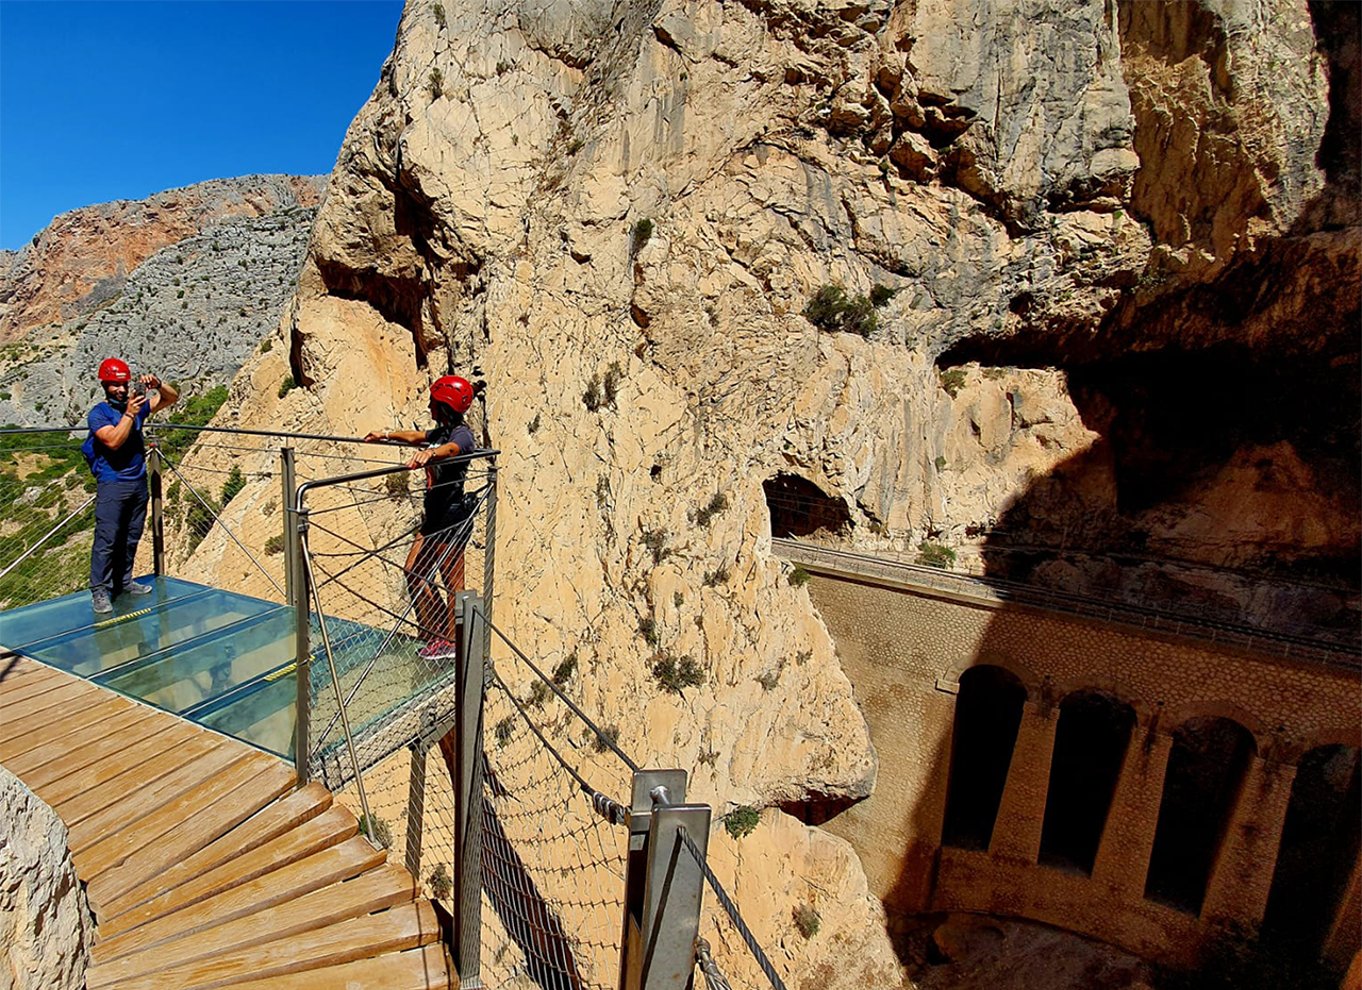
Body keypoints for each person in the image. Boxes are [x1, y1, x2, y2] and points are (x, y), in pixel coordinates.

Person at [365, 375, 479, 660]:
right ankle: (438, 630)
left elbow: (453, 450)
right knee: (413, 571)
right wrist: (386, 435)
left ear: (445, 406)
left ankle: (453, 642)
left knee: (452, 582)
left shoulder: (459, 435)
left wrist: (430, 455)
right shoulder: (441, 431)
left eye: (433, 402)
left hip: (452, 517)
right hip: (435, 515)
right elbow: (416, 437)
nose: (429, 405)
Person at [83, 358, 179, 614]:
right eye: (114, 385)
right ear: (105, 385)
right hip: (112, 483)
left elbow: (171, 398)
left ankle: (123, 582)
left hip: (137, 482)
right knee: (107, 538)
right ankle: (99, 591)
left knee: (131, 536)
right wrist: (129, 415)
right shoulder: (99, 414)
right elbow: (112, 441)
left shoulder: (135, 407)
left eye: (123, 384)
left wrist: (158, 384)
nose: (121, 389)